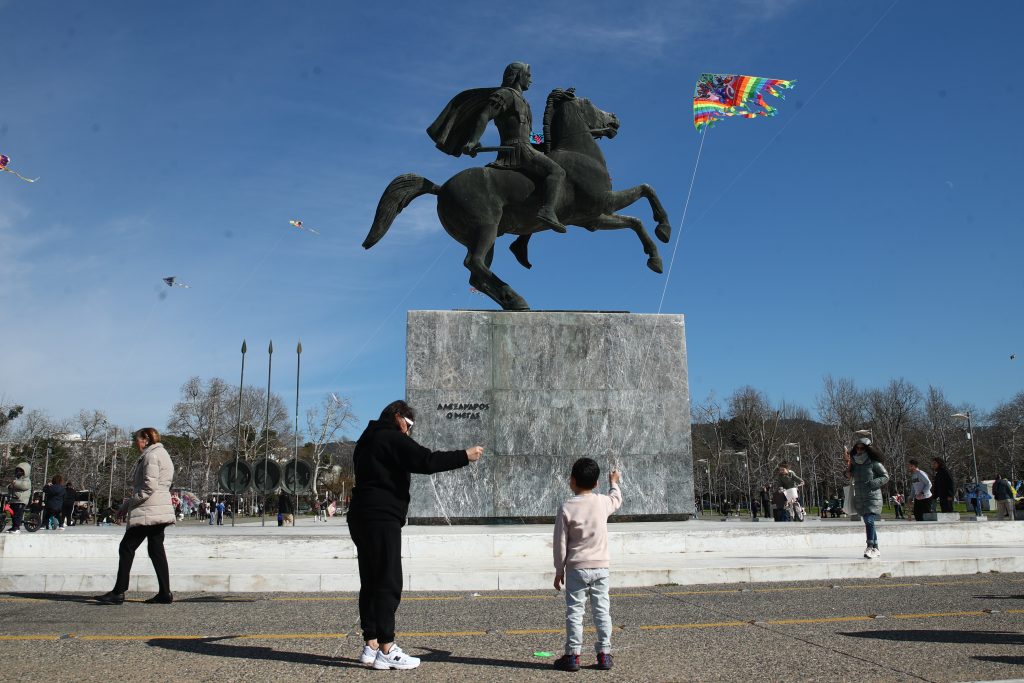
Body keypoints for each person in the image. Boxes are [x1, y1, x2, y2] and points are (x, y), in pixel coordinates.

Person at [348, 400, 483, 671]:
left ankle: (371, 643)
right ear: (398, 417)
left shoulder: (367, 438)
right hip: (381, 516)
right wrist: (465, 455)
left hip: (361, 515)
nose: (408, 432)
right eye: (408, 425)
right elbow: (427, 460)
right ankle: (387, 648)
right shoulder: (390, 436)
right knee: (388, 580)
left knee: (371, 580)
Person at [427, 61, 568, 232]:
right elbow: (484, 115)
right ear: (518, 75)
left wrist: (545, 142)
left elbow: (527, 135)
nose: (531, 80)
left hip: (525, 147)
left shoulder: (523, 101)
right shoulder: (505, 95)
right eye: (528, 76)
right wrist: (473, 140)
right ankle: (547, 210)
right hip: (518, 151)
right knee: (557, 172)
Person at [553, 459, 622, 672]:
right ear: (596, 483)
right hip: (601, 567)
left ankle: (573, 656)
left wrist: (559, 569)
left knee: (575, 612)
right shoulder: (602, 502)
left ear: (572, 481)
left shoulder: (567, 507)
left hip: (576, 568)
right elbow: (616, 499)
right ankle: (604, 654)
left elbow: (560, 542)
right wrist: (614, 482)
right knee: (602, 611)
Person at [95, 427, 176, 605]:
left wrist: (127, 504)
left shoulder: (151, 456)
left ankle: (118, 592)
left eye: (137, 440)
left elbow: (148, 487)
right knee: (156, 550)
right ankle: (164, 592)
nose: (135, 443)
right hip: (158, 509)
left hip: (149, 510)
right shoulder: (163, 454)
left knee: (126, 547)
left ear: (145, 440)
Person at [844, 437, 889, 559]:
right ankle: (876, 548)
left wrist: (872, 483)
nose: (859, 450)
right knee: (869, 522)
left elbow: (885, 476)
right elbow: (848, 475)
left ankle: (870, 546)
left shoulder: (874, 463)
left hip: (872, 496)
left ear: (868, 449)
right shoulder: (855, 463)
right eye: (857, 447)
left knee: (869, 521)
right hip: (860, 496)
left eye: (862, 448)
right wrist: (848, 466)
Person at [4, 462, 31, 533]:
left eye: (21, 471)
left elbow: (24, 486)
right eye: (18, 470)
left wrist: (15, 483)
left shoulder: (26, 480)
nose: (19, 472)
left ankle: (17, 528)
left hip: (21, 500)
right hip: (14, 499)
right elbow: (11, 487)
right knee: (13, 515)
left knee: (17, 514)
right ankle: (13, 526)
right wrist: (10, 486)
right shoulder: (16, 479)